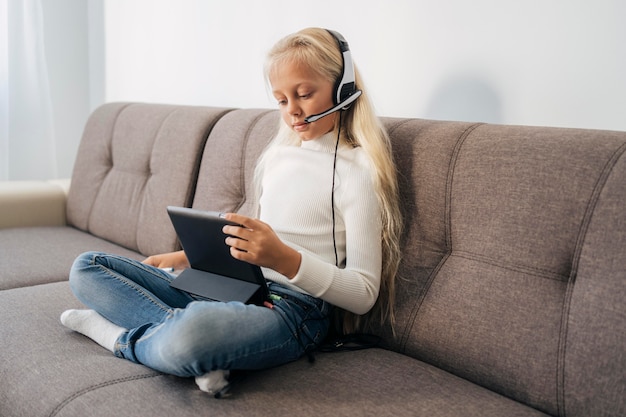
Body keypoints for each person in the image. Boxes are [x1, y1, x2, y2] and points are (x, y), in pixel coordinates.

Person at [60, 27, 402, 395]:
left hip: (293, 309)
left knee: (195, 333)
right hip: (237, 285)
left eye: (303, 94)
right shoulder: (278, 156)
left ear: (342, 88)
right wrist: (190, 257)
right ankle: (198, 343)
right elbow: (253, 242)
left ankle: (115, 335)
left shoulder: (358, 171)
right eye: (282, 100)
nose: (293, 112)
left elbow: (364, 292)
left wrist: (286, 260)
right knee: (87, 268)